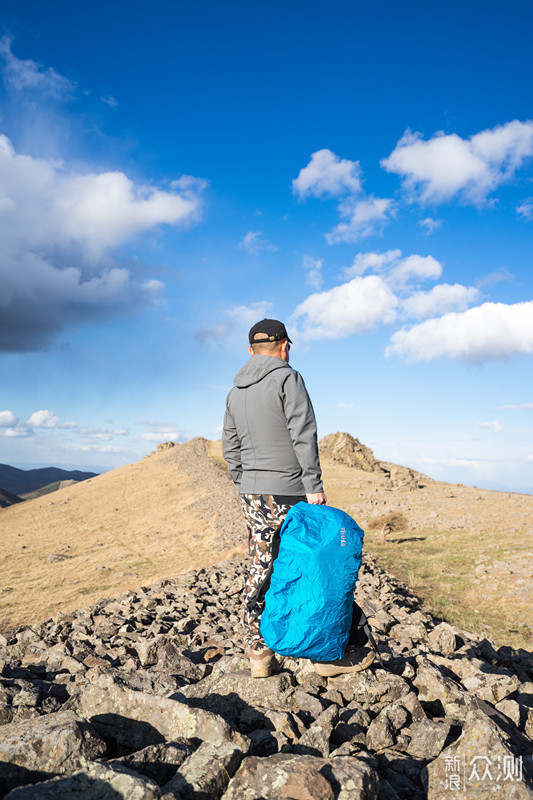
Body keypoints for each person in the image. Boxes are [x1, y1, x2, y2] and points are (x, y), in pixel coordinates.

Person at [222, 318, 374, 678]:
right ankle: (325, 654)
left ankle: (259, 654)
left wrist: (245, 482)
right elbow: (303, 433)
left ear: (250, 351)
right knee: (309, 565)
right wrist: (314, 484)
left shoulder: (234, 392)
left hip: (252, 493)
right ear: (284, 346)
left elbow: (230, 447)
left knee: (261, 565)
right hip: (290, 490)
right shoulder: (288, 378)